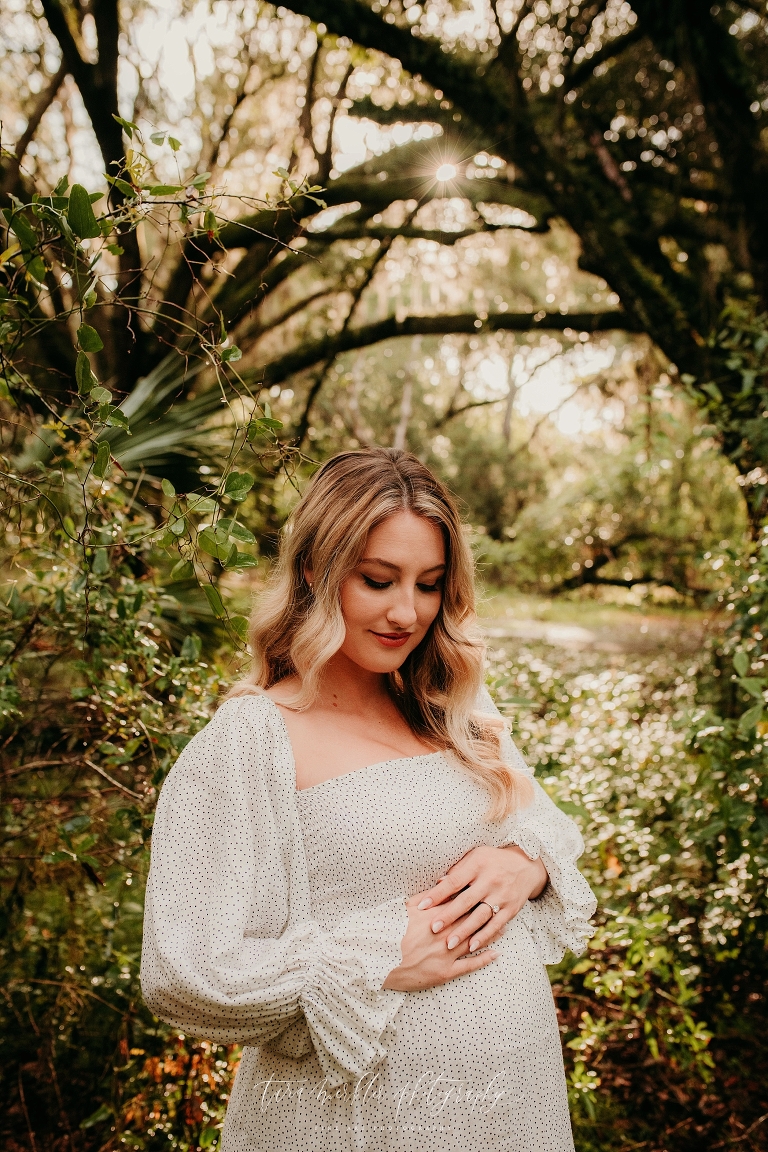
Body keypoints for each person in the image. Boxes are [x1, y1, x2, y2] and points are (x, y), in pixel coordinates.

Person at [141, 447, 596, 1152]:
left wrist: (525, 862)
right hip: (362, 1120)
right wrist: (368, 961)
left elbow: (548, 824)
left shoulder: (451, 706)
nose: (406, 612)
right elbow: (186, 970)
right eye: (379, 580)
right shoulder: (252, 741)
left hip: (514, 1104)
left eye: (430, 584)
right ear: (316, 571)